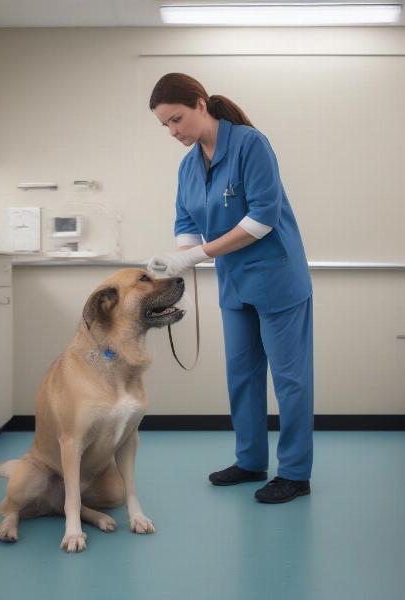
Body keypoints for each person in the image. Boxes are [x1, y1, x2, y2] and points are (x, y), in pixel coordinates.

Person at [147, 73, 313, 504]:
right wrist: (178, 260)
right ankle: (251, 460)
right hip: (235, 284)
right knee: (242, 376)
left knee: (290, 380)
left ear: (201, 104)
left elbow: (262, 219)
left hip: (276, 279)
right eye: (165, 126)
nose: (173, 132)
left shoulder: (250, 145)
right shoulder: (188, 166)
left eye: (177, 119)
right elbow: (186, 221)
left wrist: (198, 254)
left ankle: (294, 473)